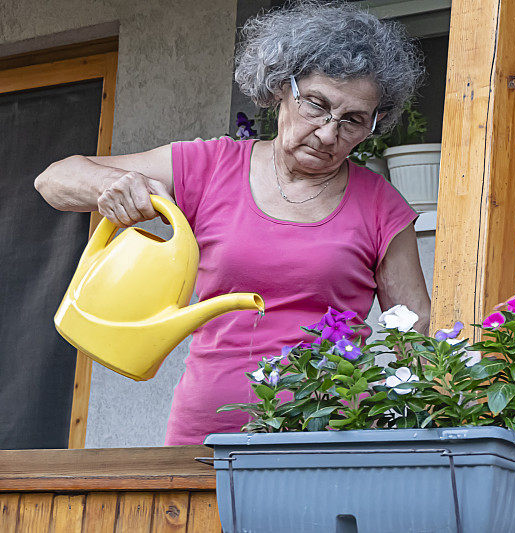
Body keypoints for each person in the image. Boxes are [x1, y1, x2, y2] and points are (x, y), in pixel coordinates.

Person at [34, 0, 430, 445]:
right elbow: (54, 178)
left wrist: (386, 420)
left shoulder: (381, 206)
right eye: (317, 105)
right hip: (207, 431)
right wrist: (119, 186)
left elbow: (413, 327)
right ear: (283, 86)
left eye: (353, 121)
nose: (327, 134)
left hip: (327, 434)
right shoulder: (210, 166)